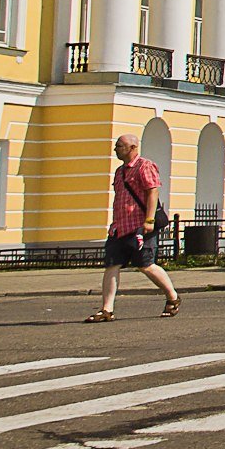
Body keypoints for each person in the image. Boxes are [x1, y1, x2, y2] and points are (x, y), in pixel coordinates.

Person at [87, 134, 180, 321]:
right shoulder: (120, 171)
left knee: (145, 265)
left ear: (132, 148)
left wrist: (149, 220)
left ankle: (173, 297)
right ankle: (106, 310)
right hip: (120, 227)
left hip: (140, 226)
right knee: (112, 265)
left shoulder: (145, 166)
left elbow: (152, 192)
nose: (116, 149)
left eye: (119, 146)